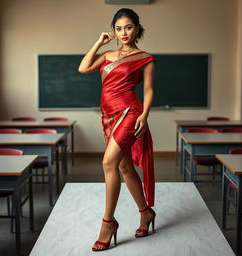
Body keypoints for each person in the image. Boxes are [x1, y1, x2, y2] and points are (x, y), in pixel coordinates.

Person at [78, 8, 156, 251]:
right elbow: (84, 68)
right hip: (108, 116)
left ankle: (108, 224)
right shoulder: (107, 54)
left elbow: (149, 90)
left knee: (108, 163)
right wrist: (98, 42)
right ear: (113, 31)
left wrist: (144, 114)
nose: (123, 32)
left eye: (129, 27)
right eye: (118, 28)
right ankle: (146, 213)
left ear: (137, 29)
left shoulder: (145, 58)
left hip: (129, 112)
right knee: (123, 166)